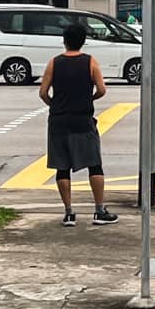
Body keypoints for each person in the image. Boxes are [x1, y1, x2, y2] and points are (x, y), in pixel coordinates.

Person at [39, 22, 116, 226]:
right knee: (94, 164)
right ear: (83, 42)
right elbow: (101, 89)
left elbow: (43, 92)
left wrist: (55, 104)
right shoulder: (91, 62)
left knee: (62, 167)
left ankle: (69, 213)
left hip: (58, 120)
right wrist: (89, 98)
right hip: (83, 119)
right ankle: (99, 211)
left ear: (64, 41)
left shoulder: (54, 63)